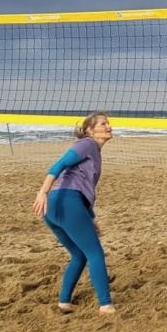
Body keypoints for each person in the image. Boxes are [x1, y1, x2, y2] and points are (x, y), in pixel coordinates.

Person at [33, 112, 116, 314]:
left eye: (108, 123)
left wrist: (90, 218)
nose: (109, 127)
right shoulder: (86, 144)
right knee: (95, 253)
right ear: (90, 130)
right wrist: (42, 192)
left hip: (56, 207)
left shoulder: (94, 151)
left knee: (79, 255)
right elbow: (59, 165)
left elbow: (81, 189)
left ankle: (64, 302)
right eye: (103, 124)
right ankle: (105, 305)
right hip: (64, 202)